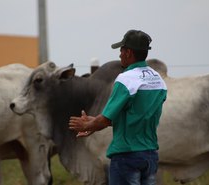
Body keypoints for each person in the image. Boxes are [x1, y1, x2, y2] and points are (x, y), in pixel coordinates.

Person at [69, 29, 167, 185]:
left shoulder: (126, 79)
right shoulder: (158, 80)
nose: (119, 54)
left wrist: (87, 124)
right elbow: (137, 115)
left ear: (128, 52)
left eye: (121, 50)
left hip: (127, 157)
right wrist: (95, 123)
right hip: (150, 156)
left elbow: (106, 118)